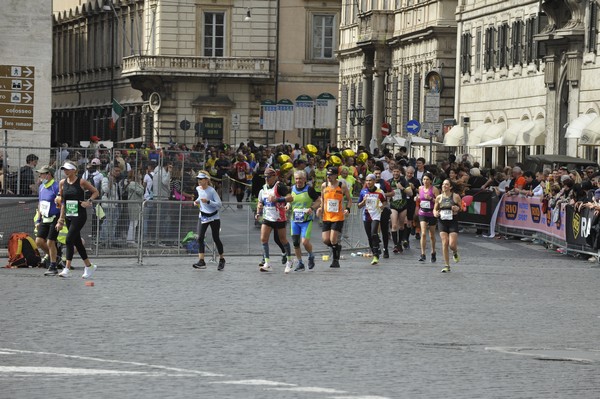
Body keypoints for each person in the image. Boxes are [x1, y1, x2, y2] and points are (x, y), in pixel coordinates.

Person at [55, 161, 99, 278]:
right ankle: (89, 266)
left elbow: (95, 192)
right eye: (64, 169)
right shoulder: (62, 183)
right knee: (77, 242)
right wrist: (61, 219)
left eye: (68, 169)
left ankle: (67, 268)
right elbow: (63, 202)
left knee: (69, 239)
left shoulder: (81, 181)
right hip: (69, 214)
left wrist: (88, 201)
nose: (65, 171)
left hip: (80, 214)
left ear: (74, 170)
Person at [255, 167, 293, 273]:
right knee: (263, 239)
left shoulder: (279, 186)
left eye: (269, 177)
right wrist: (258, 212)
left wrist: (278, 199)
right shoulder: (263, 189)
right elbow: (260, 202)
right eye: (265, 177)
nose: (266, 179)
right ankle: (267, 263)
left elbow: (290, 198)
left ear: (274, 177)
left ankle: (289, 260)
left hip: (279, 217)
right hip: (267, 217)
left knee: (282, 239)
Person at [317, 166, 352, 268]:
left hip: (338, 217)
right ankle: (337, 248)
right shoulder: (324, 186)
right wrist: (320, 209)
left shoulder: (342, 186)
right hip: (327, 216)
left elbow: (349, 200)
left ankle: (335, 260)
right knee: (325, 240)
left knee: (333, 239)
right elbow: (323, 200)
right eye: (327, 175)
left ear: (336, 175)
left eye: (331, 175)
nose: (329, 177)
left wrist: (348, 209)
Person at [286, 170, 321, 271]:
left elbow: (319, 200)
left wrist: (312, 208)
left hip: (306, 221)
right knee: (296, 243)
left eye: (300, 178)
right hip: (294, 221)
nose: (298, 181)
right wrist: (288, 206)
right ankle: (300, 262)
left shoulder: (309, 189)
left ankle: (311, 255)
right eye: (296, 178)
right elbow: (289, 201)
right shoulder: (292, 189)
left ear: (305, 179)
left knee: (305, 242)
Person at [192, 171, 226, 271]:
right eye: (198, 179)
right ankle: (201, 261)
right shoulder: (198, 188)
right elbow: (200, 196)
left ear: (206, 180)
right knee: (200, 237)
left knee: (216, 238)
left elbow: (219, 204)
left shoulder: (211, 191)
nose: (199, 181)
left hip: (214, 217)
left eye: (201, 179)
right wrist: (197, 201)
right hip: (203, 216)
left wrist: (208, 201)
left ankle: (221, 259)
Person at [34, 165, 61, 276]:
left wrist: (61, 219)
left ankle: (53, 265)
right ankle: (55, 256)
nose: (40, 176)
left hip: (55, 217)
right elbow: (40, 203)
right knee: (39, 241)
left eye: (42, 174)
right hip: (45, 218)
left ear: (49, 174)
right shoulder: (41, 187)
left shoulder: (56, 186)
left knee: (50, 241)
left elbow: (61, 203)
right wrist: (38, 219)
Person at [358, 174, 387, 265]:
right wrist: (364, 201)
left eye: (370, 180)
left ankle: (375, 256)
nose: (368, 182)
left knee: (374, 233)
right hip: (366, 216)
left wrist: (382, 207)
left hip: (376, 215)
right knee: (370, 237)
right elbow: (359, 206)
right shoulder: (363, 192)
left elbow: (385, 201)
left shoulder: (380, 192)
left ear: (374, 181)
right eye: (366, 181)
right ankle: (376, 250)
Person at [433, 179, 462, 272]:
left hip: (452, 221)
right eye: (443, 184)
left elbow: (462, 208)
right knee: (445, 242)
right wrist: (435, 213)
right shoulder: (439, 197)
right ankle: (446, 265)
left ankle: (455, 252)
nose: (444, 186)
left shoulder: (456, 197)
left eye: (446, 185)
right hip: (442, 222)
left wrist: (457, 208)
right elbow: (434, 209)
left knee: (452, 244)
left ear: (450, 187)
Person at [417, 172, 439, 262]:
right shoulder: (420, 188)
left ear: (430, 181)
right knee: (423, 233)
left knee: (432, 235)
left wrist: (431, 198)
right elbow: (420, 198)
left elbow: (439, 201)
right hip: (422, 212)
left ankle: (433, 252)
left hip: (431, 213)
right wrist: (417, 198)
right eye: (424, 179)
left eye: (427, 179)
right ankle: (423, 254)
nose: (425, 181)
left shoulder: (434, 189)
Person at [126, 171, 144, 245]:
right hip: (133, 204)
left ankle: (132, 239)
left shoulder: (137, 184)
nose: (140, 175)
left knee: (135, 222)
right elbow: (140, 191)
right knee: (133, 222)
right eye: (138, 174)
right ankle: (130, 239)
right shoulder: (132, 183)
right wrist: (140, 184)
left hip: (137, 204)